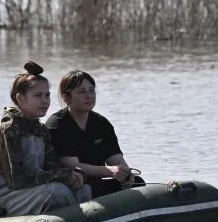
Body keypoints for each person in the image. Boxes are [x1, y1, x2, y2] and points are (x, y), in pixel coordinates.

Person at [0, 61, 91, 216]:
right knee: (56, 192)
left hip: (30, 191)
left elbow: (51, 168)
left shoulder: (41, 130)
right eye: (38, 95)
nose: (45, 101)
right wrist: (60, 175)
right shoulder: (7, 129)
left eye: (47, 95)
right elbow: (17, 180)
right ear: (21, 98)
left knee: (84, 189)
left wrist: (73, 174)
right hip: (1, 195)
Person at [45, 70, 145, 198]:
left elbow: (117, 160)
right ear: (66, 97)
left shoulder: (101, 123)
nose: (89, 96)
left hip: (97, 183)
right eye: (82, 92)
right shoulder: (57, 124)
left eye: (91, 90)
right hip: (73, 185)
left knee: (137, 183)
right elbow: (73, 166)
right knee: (89, 188)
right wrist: (110, 171)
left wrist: (126, 175)